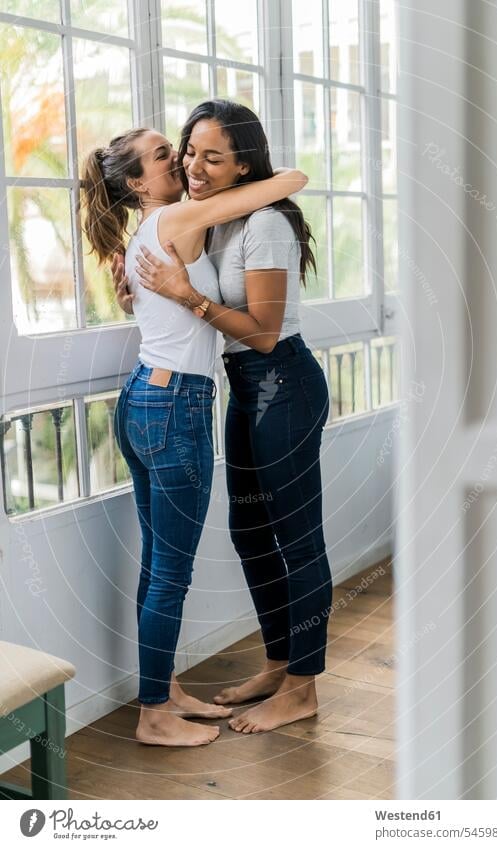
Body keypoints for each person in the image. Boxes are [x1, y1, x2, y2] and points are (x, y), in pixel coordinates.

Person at [82, 124, 307, 746]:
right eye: (165, 156)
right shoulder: (179, 218)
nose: (179, 162)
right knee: (171, 571)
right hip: (174, 406)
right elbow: (292, 181)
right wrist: (247, 167)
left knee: (160, 564)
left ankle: (164, 690)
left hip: (145, 400)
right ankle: (153, 713)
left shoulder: (152, 230)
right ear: (137, 184)